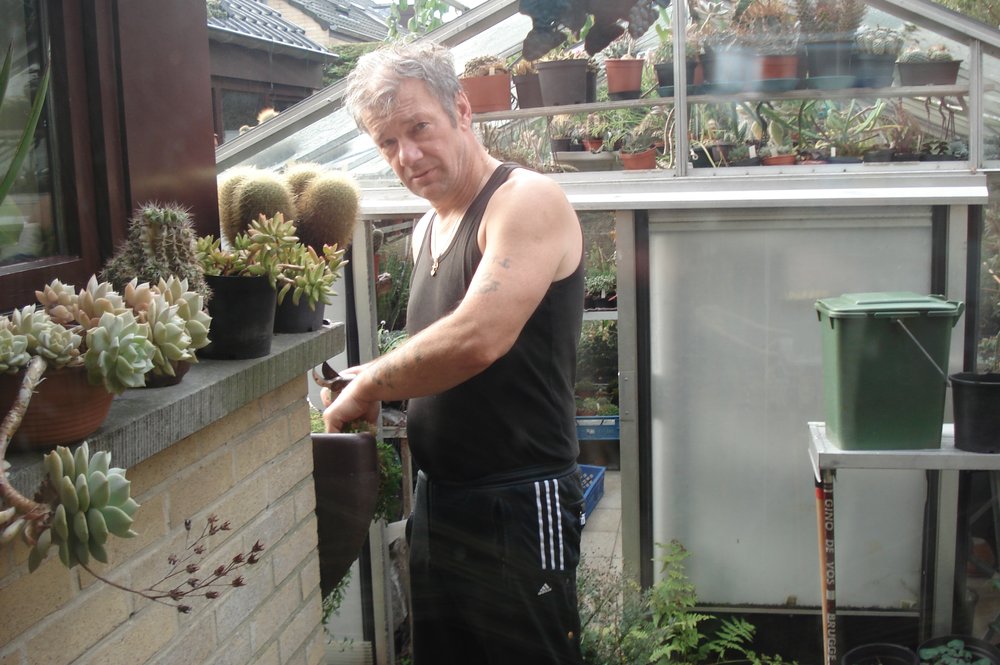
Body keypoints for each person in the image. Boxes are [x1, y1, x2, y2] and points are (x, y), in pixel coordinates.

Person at [325, 41, 585, 664]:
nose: (407, 156)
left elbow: (477, 337)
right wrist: (372, 374)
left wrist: (374, 383)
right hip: (439, 501)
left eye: (419, 128)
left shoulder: (523, 200)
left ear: (462, 111)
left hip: (520, 501)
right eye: (387, 143)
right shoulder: (427, 228)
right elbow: (435, 351)